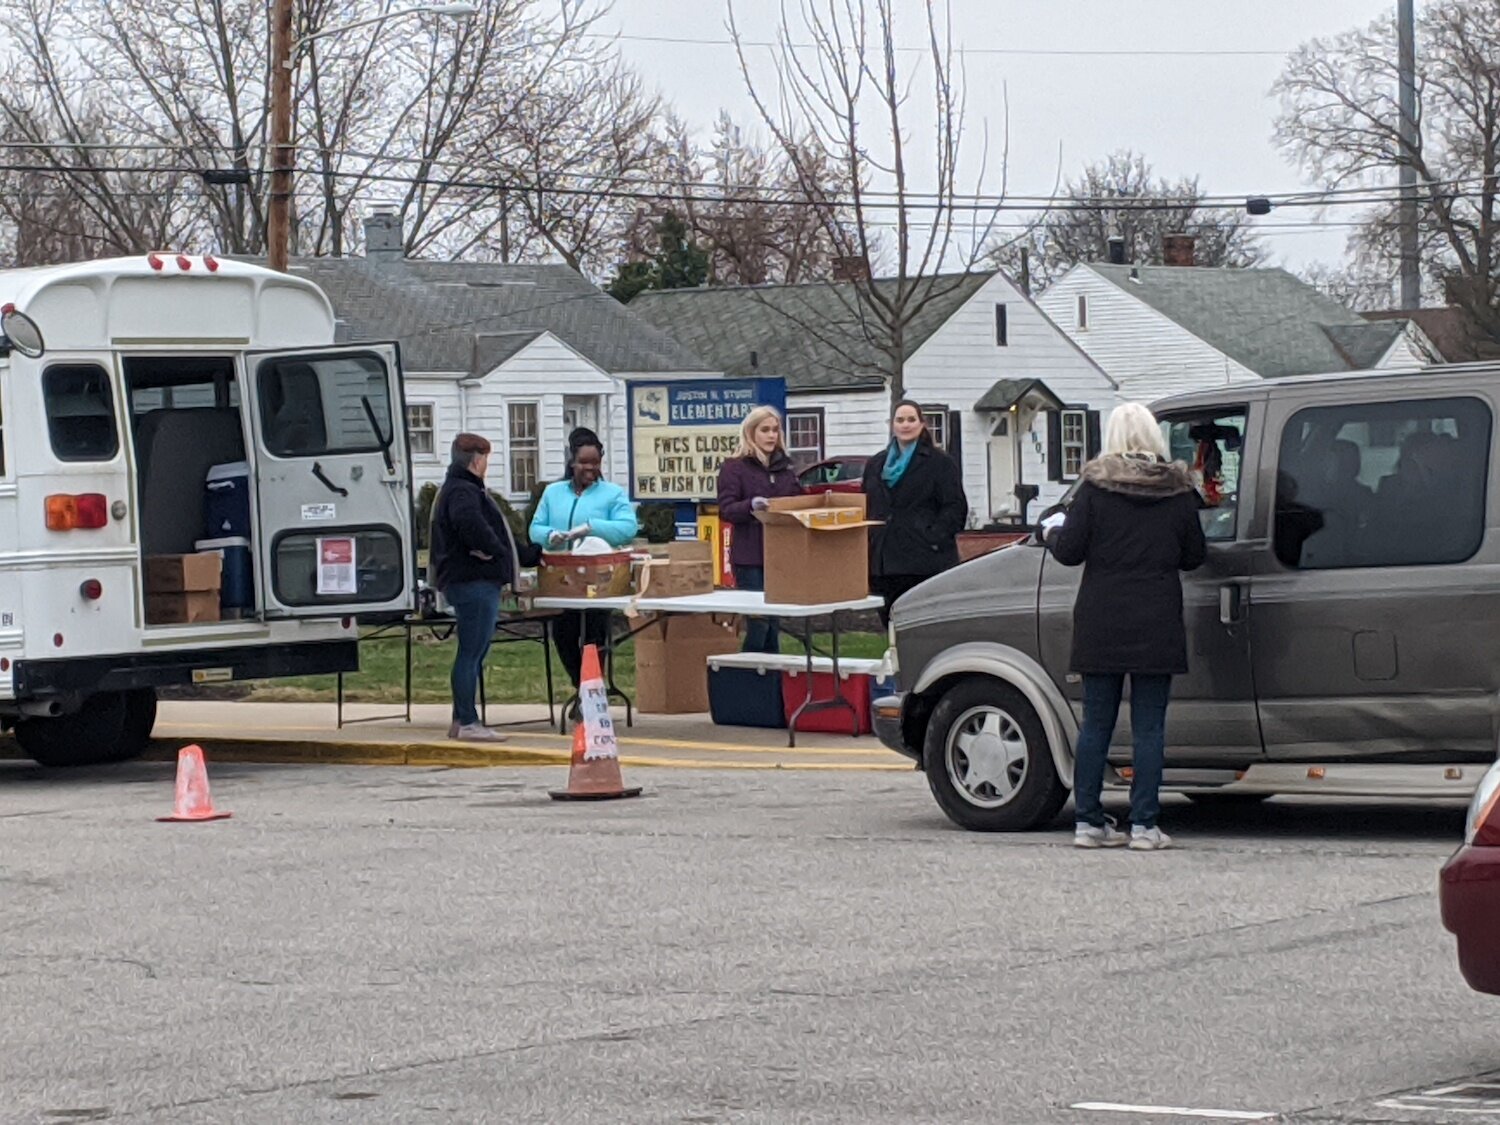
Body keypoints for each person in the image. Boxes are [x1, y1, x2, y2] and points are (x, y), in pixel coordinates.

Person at [1047, 402, 1207, 852]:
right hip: (1156, 616)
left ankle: (1089, 821)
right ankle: (1144, 825)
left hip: (1101, 616)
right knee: (1149, 727)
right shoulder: (1176, 492)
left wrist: (1052, 532)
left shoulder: (1094, 490)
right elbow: (1194, 555)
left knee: (1095, 724)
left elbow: (1070, 552)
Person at [430, 433, 541, 743]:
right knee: (471, 653)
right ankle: (467, 720)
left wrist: (528, 553)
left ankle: (460, 719)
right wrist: (494, 550)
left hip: (466, 581)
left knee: (472, 652)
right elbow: (474, 526)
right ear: (477, 460)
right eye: (486, 459)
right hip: (474, 582)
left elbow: (494, 531)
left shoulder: (456, 489)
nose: (486, 466)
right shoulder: (464, 492)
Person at [530, 428, 638, 692]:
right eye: (584, 463)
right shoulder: (553, 492)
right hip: (562, 579)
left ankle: (590, 690)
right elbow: (535, 528)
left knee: (594, 635)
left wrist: (592, 527)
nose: (591, 469)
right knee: (563, 634)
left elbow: (628, 527)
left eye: (596, 463)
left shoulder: (612, 493)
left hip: (598, 580)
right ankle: (581, 686)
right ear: (572, 462)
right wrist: (550, 535)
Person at [861, 399, 968, 627]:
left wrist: (934, 537)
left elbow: (955, 507)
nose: (905, 425)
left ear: (921, 424)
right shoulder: (875, 464)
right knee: (890, 625)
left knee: (921, 628)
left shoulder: (940, 463)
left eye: (911, 419)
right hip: (883, 561)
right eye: (900, 420)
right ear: (892, 425)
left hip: (923, 560)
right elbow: (867, 505)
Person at [716, 405, 804, 653]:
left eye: (775, 430)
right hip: (749, 557)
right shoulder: (735, 467)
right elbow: (726, 509)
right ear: (751, 432)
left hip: (780, 556)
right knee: (758, 624)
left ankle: (771, 684)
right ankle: (748, 676)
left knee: (774, 625)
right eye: (765, 430)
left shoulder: (786, 469)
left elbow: (796, 501)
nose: (771, 435)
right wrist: (751, 506)